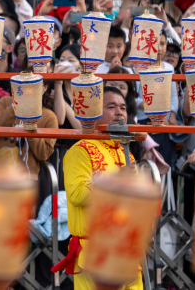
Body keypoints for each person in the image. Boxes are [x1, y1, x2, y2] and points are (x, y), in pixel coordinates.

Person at [52, 86, 142, 290]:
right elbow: (76, 194)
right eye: (111, 107)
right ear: (94, 112)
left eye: (123, 108)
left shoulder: (125, 152)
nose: (120, 112)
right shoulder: (80, 150)